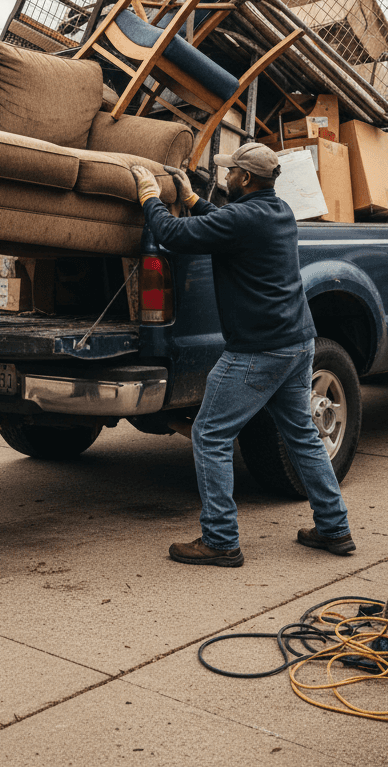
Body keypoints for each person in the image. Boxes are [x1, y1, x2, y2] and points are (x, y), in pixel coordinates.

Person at [130, 144, 353, 568]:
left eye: (230, 171)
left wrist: (150, 199)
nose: (226, 176)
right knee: (303, 435)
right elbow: (223, 224)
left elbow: (174, 235)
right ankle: (334, 528)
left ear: (246, 180)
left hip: (259, 349)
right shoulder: (279, 210)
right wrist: (194, 200)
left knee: (210, 435)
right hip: (297, 341)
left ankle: (220, 539)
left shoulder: (243, 217)